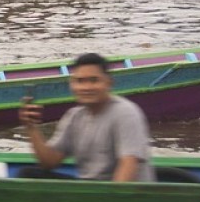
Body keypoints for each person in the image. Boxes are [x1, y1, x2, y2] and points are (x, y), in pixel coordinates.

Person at [18, 52, 154, 182]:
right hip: (89, 186)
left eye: (94, 80)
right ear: (72, 84)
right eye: (80, 81)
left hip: (118, 193)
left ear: (108, 83)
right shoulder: (74, 116)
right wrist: (31, 127)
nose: (86, 87)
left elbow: (129, 166)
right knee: (28, 174)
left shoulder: (125, 113)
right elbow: (49, 162)